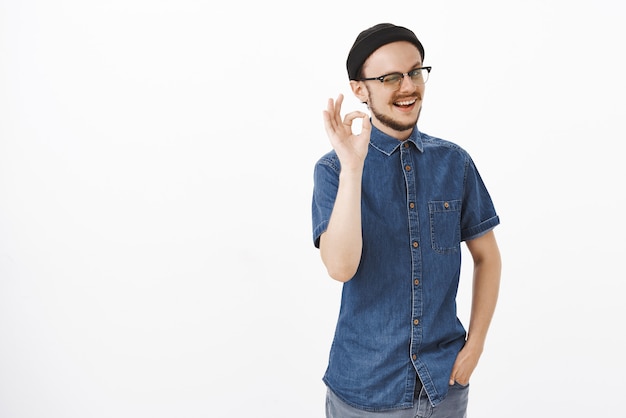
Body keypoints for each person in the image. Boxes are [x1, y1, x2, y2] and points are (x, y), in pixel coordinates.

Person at [311, 23, 502, 417]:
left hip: (443, 388)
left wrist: (475, 347)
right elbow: (340, 267)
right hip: (363, 392)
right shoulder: (333, 171)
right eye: (389, 78)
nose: (408, 86)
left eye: (415, 71)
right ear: (360, 89)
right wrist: (352, 167)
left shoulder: (455, 163)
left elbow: (487, 256)